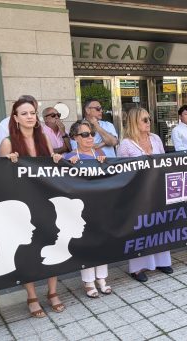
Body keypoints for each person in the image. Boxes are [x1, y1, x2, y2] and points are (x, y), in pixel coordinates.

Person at [0, 96, 65, 318]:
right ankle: (31, 295)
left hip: (45, 201)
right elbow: (0, 177)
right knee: (27, 249)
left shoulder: (43, 138)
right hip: (21, 206)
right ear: (15, 118)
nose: (29, 117)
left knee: (51, 244)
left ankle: (52, 292)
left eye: (32, 113)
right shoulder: (8, 142)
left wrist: (55, 157)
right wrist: (7, 162)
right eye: (24, 113)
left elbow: (51, 166)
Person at [117, 108, 173, 282]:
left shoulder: (155, 138)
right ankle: (138, 267)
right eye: (144, 120)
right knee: (141, 228)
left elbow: (164, 161)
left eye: (149, 119)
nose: (148, 122)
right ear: (134, 122)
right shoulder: (126, 144)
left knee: (160, 223)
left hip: (157, 189)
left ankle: (162, 261)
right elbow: (121, 170)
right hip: (137, 193)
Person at [62, 120, 111, 297]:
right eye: (84, 134)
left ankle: (102, 279)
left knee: (102, 241)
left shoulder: (100, 153)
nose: (89, 137)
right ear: (75, 137)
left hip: (100, 205)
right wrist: (69, 165)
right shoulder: (69, 157)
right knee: (88, 243)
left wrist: (104, 163)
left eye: (91, 134)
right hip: (81, 207)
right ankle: (88, 281)